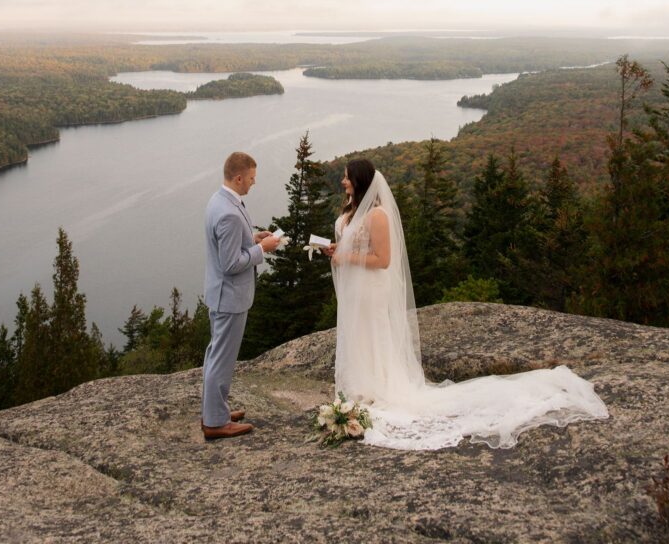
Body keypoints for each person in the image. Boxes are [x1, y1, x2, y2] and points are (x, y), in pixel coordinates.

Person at [324, 158, 609, 451]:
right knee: (359, 336)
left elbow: (382, 260)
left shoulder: (377, 215)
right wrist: (338, 250)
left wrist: (345, 257)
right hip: (357, 290)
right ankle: (362, 389)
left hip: (371, 291)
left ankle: (378, 389)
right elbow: (359, 248)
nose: (343, 181)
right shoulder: (354, 211)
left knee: (374, 336)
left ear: (358, 181)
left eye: (346, 177)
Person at [201, 151, 280, 440]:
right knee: (221, 358)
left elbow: (231, 246)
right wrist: (263, 250)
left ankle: (215, 411)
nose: (253, 183)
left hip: (220, 294)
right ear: (238, 177)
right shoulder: (230, 213)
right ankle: (215, 422)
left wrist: (254, 238)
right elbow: (231, 264)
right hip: (230, 297)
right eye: (250, 179)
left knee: (215, 355)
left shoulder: (219, 200)